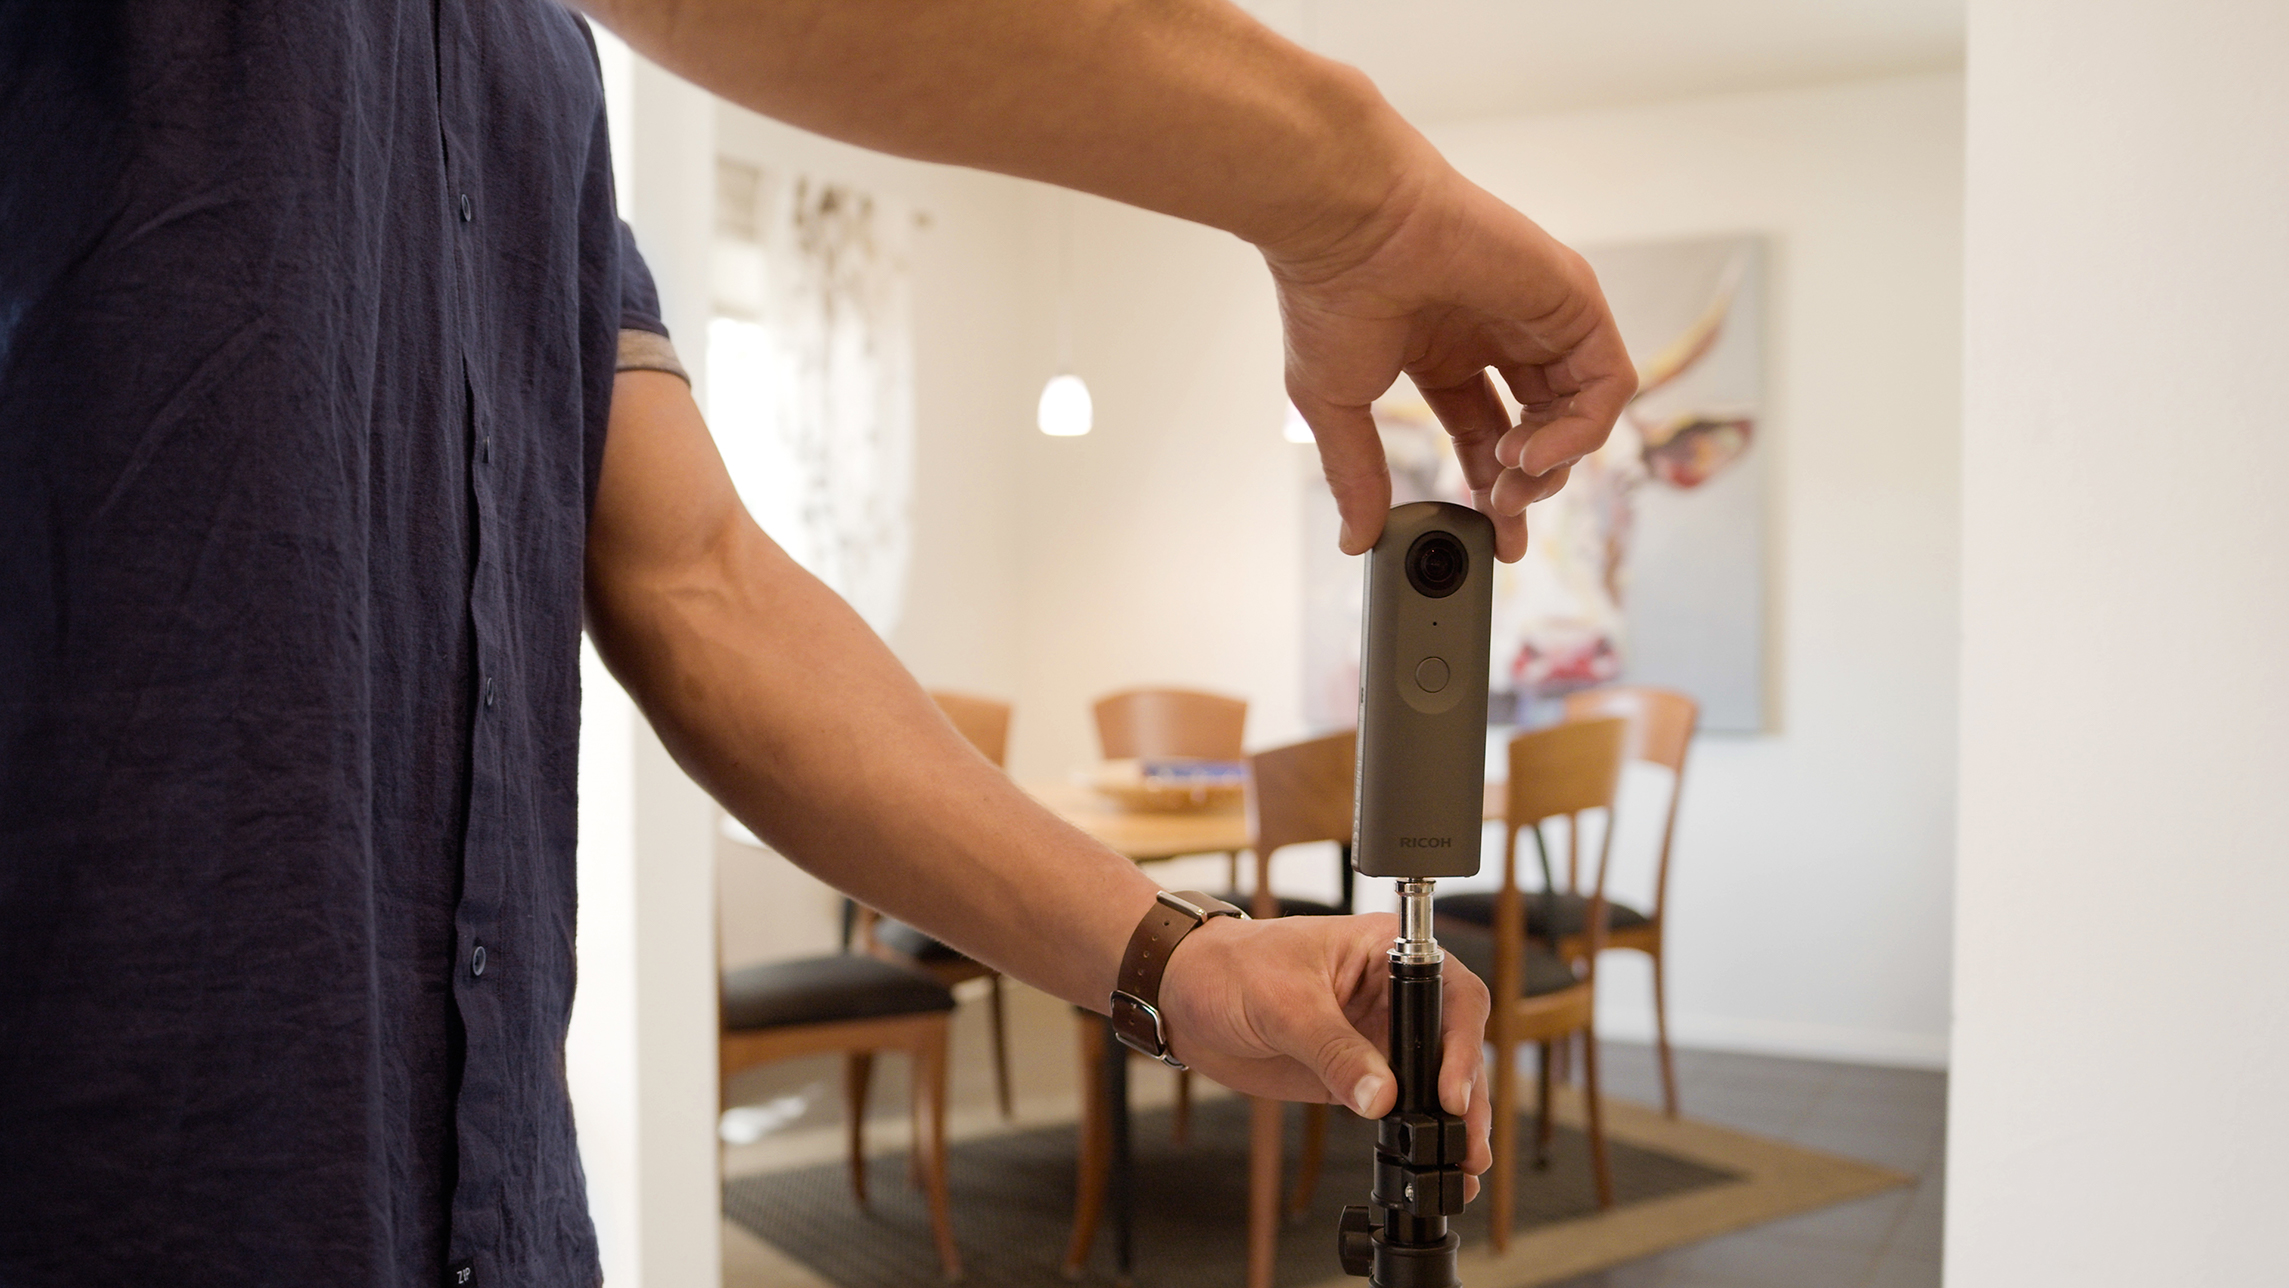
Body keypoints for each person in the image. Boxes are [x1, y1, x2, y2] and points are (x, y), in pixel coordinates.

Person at [0, 0, 1635, 1283]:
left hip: (475, 1208)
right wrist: (1352, 184)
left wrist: (1178, 960)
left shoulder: (531, 79)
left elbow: (700, 581)